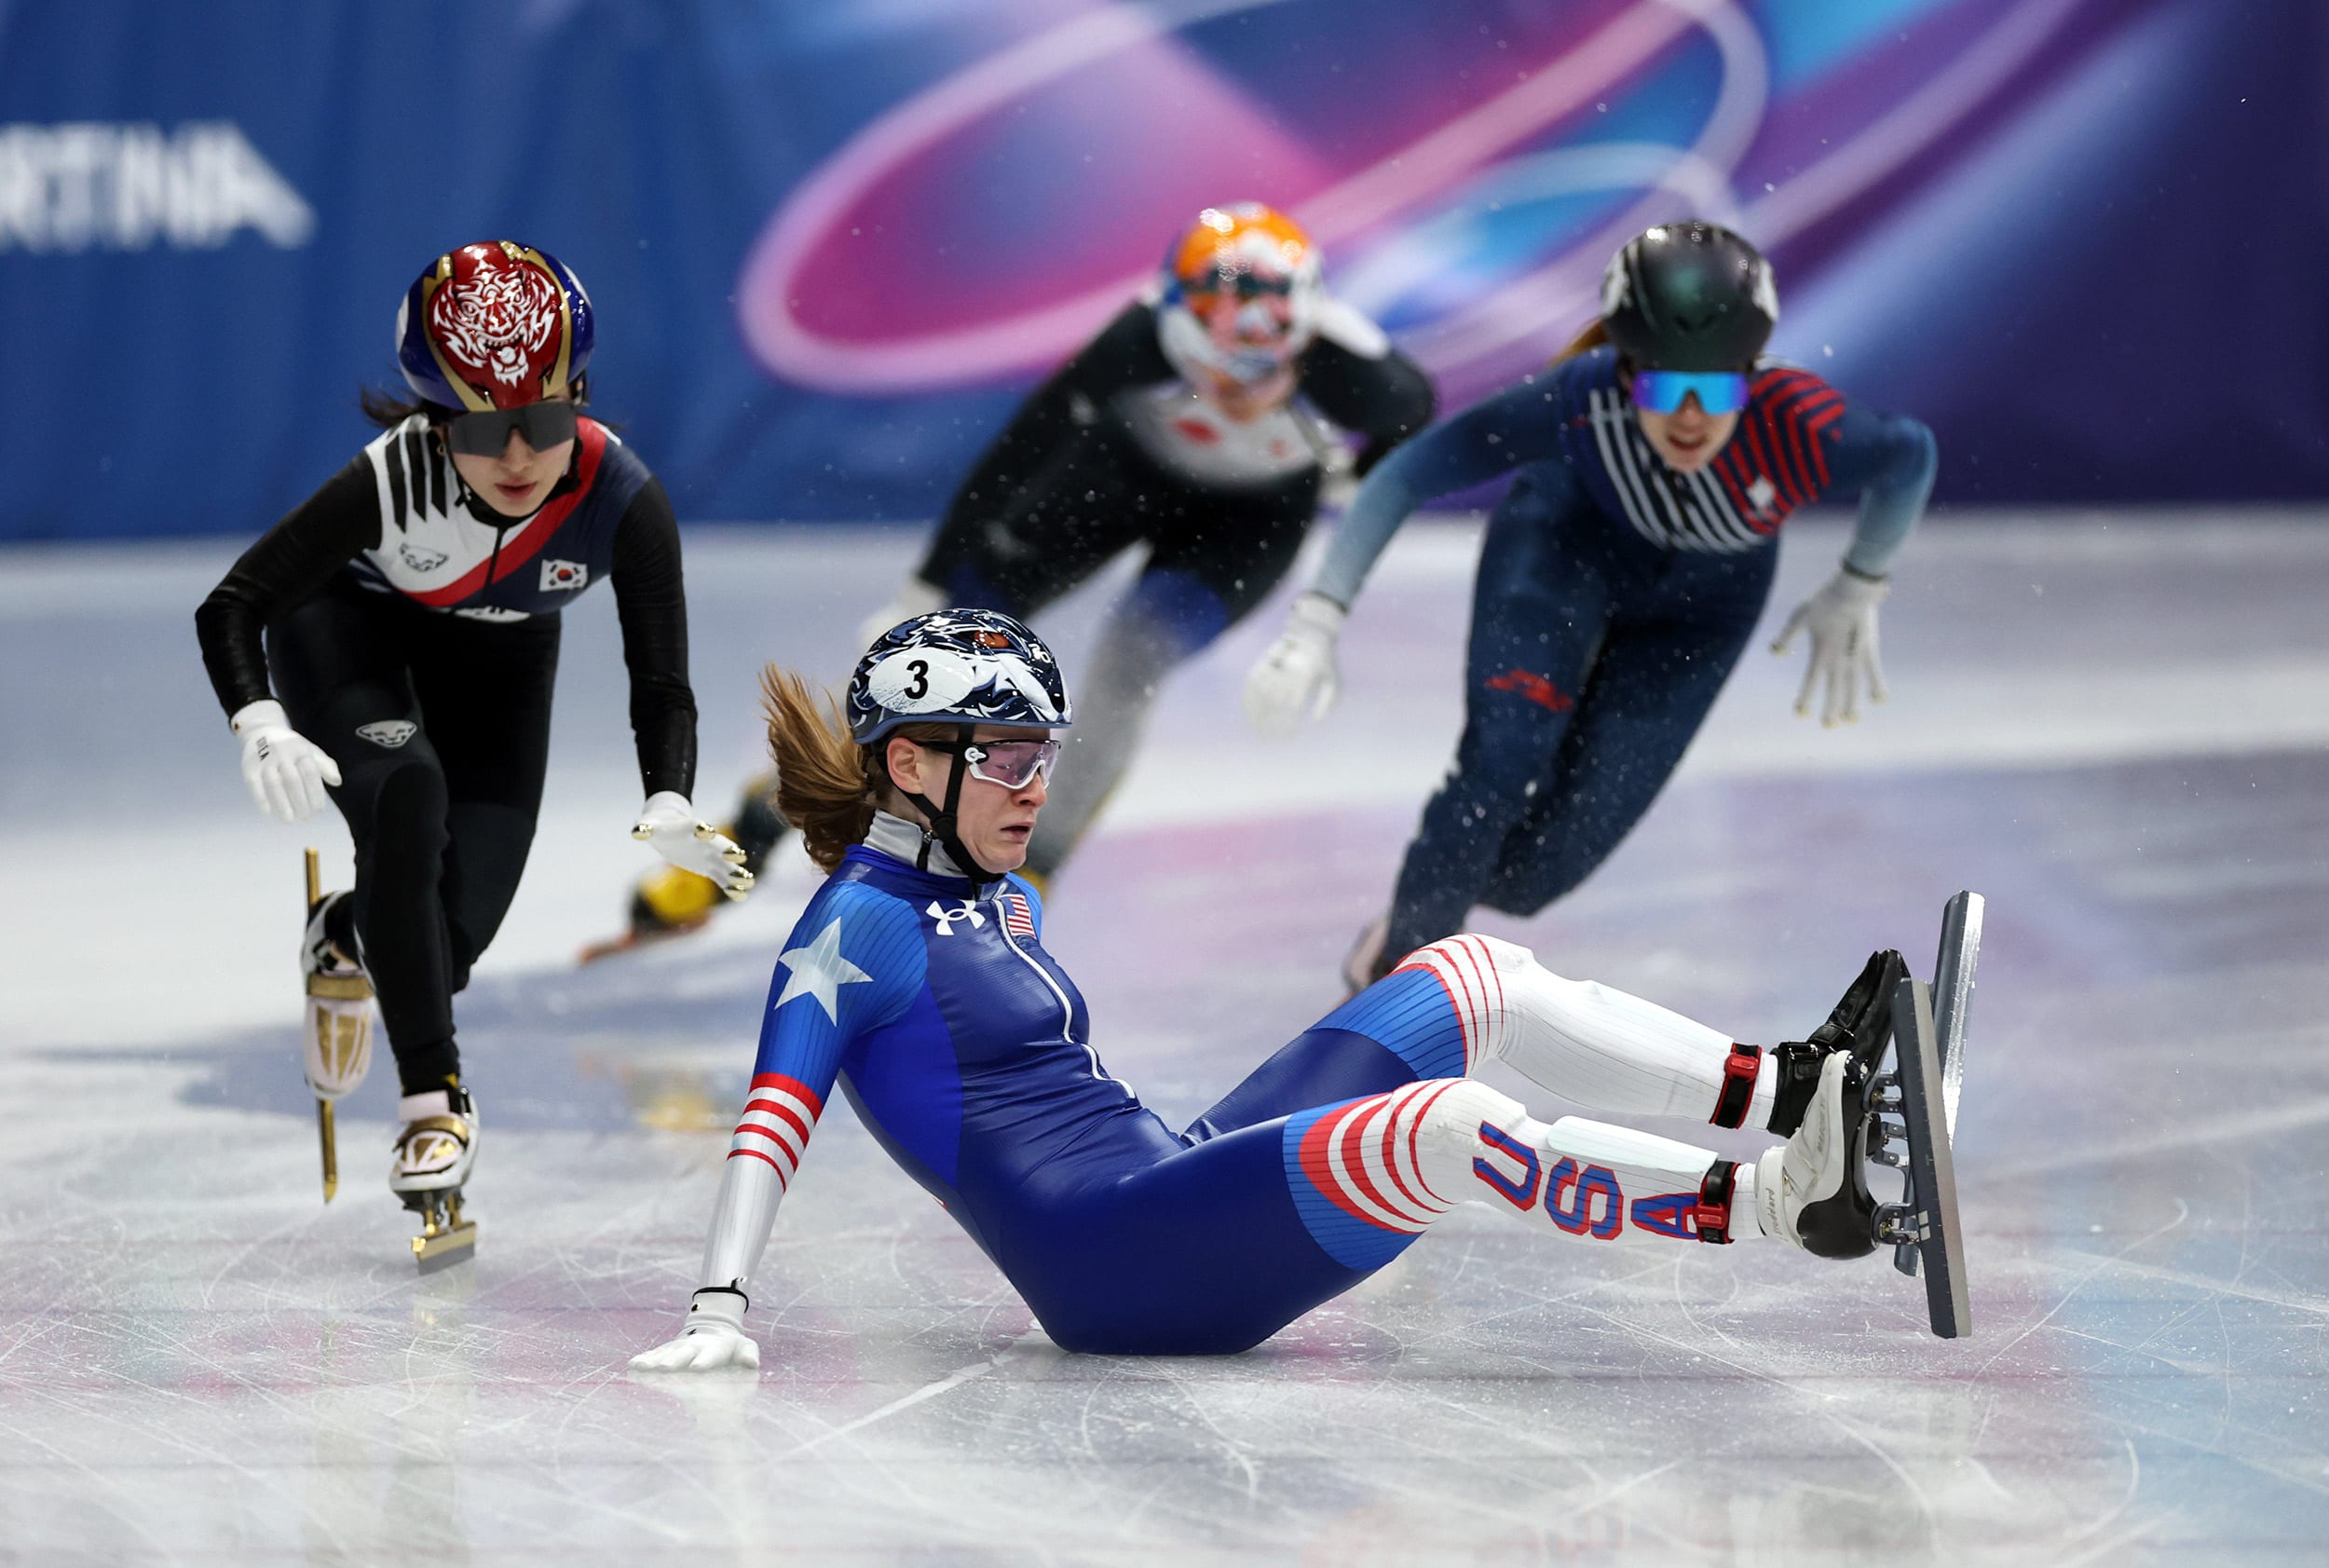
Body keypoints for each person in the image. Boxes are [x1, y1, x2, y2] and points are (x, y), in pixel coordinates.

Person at [632, 608, 1912, 1369]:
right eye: (1010, 756)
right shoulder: (853, 929)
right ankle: (1785, 1207)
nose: (1038, 784)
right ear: (910, 761)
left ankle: (1798, 1084)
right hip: (1115, 1269)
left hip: (1169, 1176)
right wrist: (719, 1302)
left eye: (1048, 755)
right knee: (1446, 1126)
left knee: (1467, 974)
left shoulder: (998, 884)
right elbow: (771, 1115)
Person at [603, 202, 1434, 955]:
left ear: (1307, 333)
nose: (1235, 391)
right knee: (935, 653)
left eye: (1263, 369)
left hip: (1249, 523)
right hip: (1120, 477)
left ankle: (1034, 876)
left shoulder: (1360, 370)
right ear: (1176, 324)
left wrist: (1355, 483)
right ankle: (756, 822)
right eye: (1218, 362)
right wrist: (928, 590)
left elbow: (1421, 420)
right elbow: (1017, 459)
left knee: (1130, 660)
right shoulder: (1132, 342)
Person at [195, 240, 753, 1230]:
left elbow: (660, 679)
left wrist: (667, 794)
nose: (518, 457)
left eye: (543, 420)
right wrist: (262, 720)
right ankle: (431, 1105)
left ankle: (344, 933)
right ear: (433, 418)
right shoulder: (388, 479)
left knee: (442, 949)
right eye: (483, 429)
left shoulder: (622, 499)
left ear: (577, 394)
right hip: (351, 632)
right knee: (404, 798)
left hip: (501, 662)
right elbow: (233, 603)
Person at [1243, 222, 1940, 990]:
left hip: (1703, 607)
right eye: (1666, 386)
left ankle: (1424, 909)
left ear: (1753, 374)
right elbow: (1409, 472)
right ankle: (1392, 982)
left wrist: (1859, 583)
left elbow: (1910, 455)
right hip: (1564, 551)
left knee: (1538, 874)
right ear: (1625, 368)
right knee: (1495, 774)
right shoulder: (1577, 401)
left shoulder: (1802, 428)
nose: (1691, 418)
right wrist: (1318, 620)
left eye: (1717, 389)